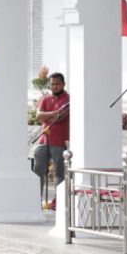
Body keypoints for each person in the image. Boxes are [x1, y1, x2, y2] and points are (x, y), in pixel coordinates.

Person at [33, 72, 70, 207]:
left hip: (60, 142)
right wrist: (54, 113)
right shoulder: (45, 99)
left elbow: (61, 117)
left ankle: (58, 204)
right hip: (44, 140)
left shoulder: (68, 99)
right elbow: (38, 117)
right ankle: (35, 201)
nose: (54, 87)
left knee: (60, 173)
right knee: (38, 171)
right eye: (52, 84)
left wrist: (47, 116)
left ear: (63, 84)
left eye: (57, 84)